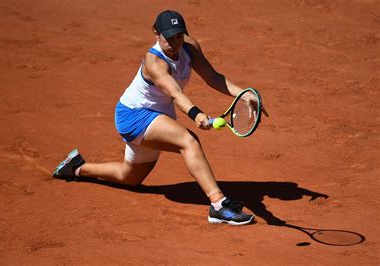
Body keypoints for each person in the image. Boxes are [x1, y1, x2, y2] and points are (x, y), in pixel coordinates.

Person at [53, 10, 260, 225]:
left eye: (179, 36)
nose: (175, 42)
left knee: (130, 177)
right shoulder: (154, 62)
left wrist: (244, 95)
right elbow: (175, 93)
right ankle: (218, 205)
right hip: (134, 115)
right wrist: (196, 114)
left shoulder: (189, 47)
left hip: (160, 115)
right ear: (156, 33)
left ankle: (75, 167)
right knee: (188, 141)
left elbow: (213, 77)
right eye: (169, 37)